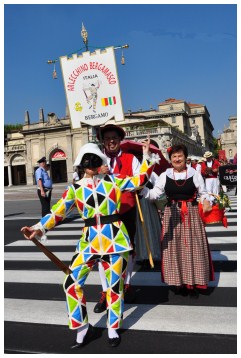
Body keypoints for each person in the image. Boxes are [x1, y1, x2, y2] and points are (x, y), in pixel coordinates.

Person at [21, 140, 158, 348]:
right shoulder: (75, 189)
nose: (91, 165)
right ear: (81, 164)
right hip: (89, 242)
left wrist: (147, 158)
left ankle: (113, 328)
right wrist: (39, 228)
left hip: (116, 240)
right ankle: (83, 328)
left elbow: (138, 180)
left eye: (93, 160)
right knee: (71, 284)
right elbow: (58, 211)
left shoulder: (113, 181)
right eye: (87, 161)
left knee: (114, 287)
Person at [141, 144, 215, 297]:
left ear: (185, 157)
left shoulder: (194, 173)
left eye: (180, 156)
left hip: (192, 213)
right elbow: (155, 193)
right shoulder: (165, 175)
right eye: (174, 156)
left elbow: (203, 192)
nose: (177, 159)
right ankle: (179, 281)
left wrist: (206, 201)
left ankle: (193, 283)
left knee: (194, 249)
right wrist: (141, 189)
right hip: (172, 214)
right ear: (170, 159)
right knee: (175, 250)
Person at [93, 124, 142, 312]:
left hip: (127, 209)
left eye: (114, 137)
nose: (111, 141)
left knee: (128, 251)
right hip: (104, 213)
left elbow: (140, 180)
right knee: (102, 253)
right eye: (107, 138)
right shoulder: (95, 160)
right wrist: (98, 173)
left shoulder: (130, 159)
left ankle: (126, 286)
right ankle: (106, 292)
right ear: (103, 141)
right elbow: (83, 181)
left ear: (120, 140)